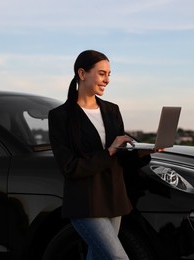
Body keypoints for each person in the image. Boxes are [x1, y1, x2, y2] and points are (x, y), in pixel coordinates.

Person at [48, 50, 153, 260]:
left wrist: (144, 150)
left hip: (114, 199)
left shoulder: (112, 110)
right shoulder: (60, 116)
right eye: (102, 73)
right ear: (82, 73)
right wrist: (110, 150)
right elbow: (71, 167)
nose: (107, 80)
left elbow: (121, 158)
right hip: (85, 203)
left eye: (109, 74)